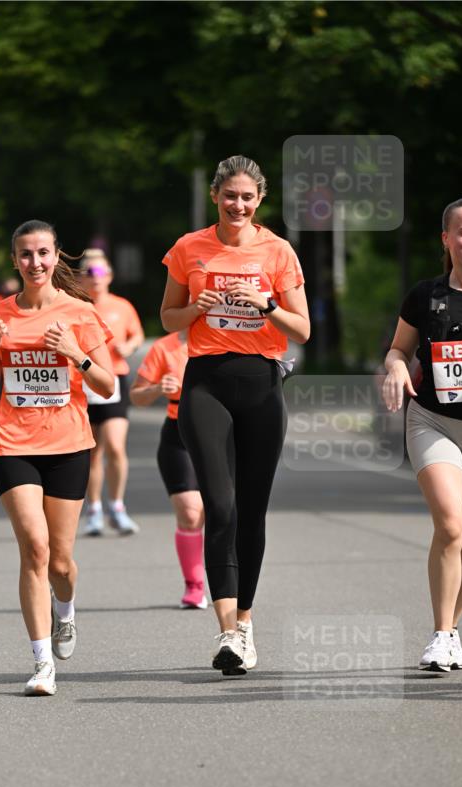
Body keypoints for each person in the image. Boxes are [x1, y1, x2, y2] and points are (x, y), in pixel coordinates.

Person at [160, 154, 310, 675]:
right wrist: (199, 306)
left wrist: (264, 303)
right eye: (230, 195)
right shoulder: (189, 247)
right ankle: (226, 632)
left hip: (262, 385)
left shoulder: (278, 251)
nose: (238, 204)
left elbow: (303, 330)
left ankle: (245, 622)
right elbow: (168, 316)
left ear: (259, 200)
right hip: (206, 383)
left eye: (247, 197)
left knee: (251, 510)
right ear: (215, 197)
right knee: (219, 507)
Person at [0, 220, 115, 697]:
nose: (35, 263)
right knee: (33, 548)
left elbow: (107, 386)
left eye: (43, 253)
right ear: (14, 261)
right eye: (26, 255)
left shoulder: (80, 312)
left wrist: (77, 353)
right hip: (12, 443)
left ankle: (66, 610)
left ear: (58, 257)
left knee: (61, 562)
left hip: (68, 446)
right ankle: (40, 664)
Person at [382, 197, 462, 672]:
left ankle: (451, 632)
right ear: (447, 239)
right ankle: (441, 636)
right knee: (451, 526)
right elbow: (398, 350)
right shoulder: (425, 295)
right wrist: (396, 370)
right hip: (433, 420)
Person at [130, 329, 207, 608]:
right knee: (189, 511)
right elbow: (137, 396)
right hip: (178, 434)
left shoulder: (226, 338)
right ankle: (194, 585)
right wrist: (157, 388)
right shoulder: (165, 347)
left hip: (221, 434)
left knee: (222, 511)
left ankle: (230, 584)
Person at [79, 250, 144, 535]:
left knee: (116, 447)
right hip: (83, 383)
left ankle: (117, 506)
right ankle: (94, 510)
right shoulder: (75, 307)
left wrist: (129, 348)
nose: (96, 279)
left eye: (101, 272)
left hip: (115, 380)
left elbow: (137, 334)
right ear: (81, 278)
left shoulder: (122, 306)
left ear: (110, 276)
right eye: (90, 273)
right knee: (93, 453)